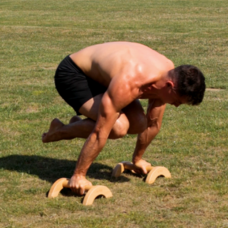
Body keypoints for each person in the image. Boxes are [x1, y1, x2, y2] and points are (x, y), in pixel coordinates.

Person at [42, 41, 205, 195]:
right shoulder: (131, 81)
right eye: (177, 101)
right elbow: (100, 132)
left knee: (140, 123)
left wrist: (137, 160)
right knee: (117, 128)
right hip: (75, 73)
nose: (176, 106)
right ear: (170, 86)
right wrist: (78, 175)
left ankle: (74, 125)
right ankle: (60, 130)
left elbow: (153, 124)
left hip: (107, 78)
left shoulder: (167, 76)